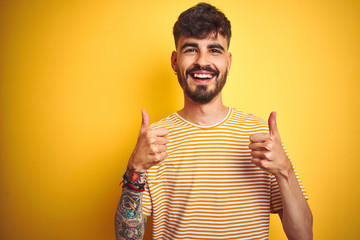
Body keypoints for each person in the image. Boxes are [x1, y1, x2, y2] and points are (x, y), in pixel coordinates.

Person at [115, 3, 313, 240]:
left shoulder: (261, 136)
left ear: (228, 62)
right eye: (191, 49)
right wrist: (134, 169)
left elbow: (303, 236)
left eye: (214, 50)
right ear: (174, 61)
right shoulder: (154, 142)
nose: (202, 61)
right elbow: (126, 238)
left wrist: (285, 170)